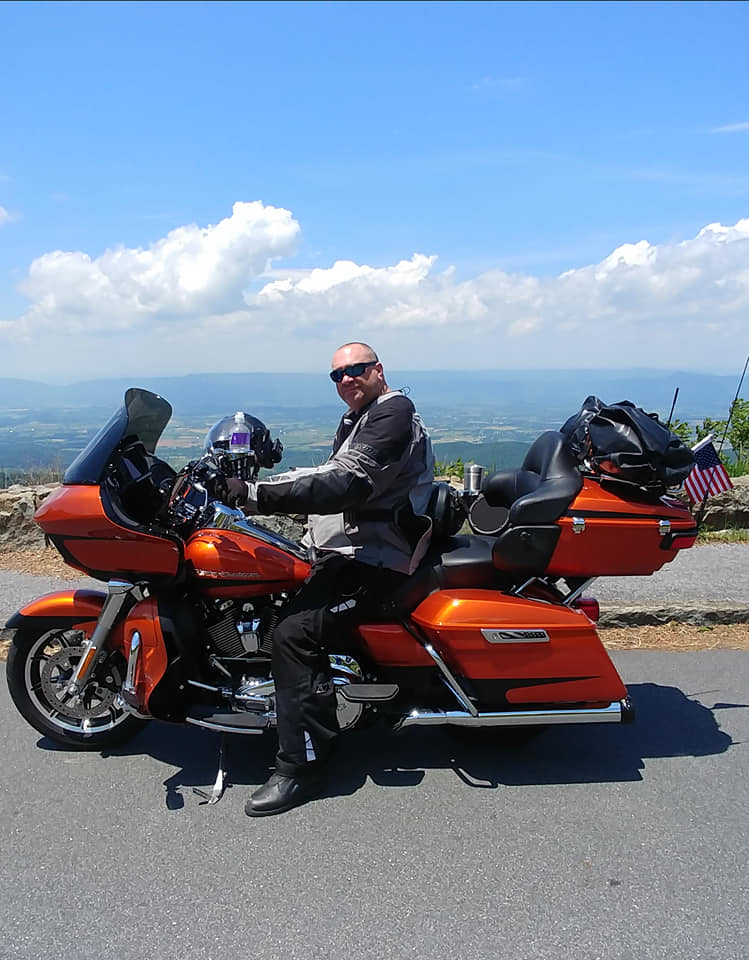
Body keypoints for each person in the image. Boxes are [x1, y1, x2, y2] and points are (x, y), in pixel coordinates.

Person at [219, 342, 435, 816]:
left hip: (377, 558)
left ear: (378, 369)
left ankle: (303, 765)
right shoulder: (359, 417)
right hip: (346, 547)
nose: (346, 380)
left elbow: (348, 482)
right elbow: (327, 473)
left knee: (294, 635)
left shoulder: (393, 413)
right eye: (336, 375)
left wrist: (253, 495)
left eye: (355, 369)